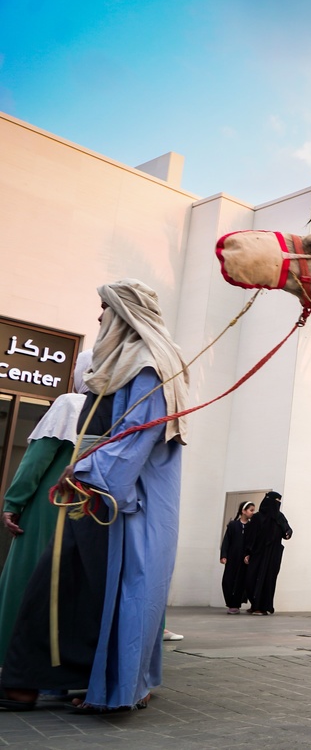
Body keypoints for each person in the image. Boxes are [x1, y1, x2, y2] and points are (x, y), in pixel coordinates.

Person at [1, 278, 188, 713]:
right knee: (61, 585)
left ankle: (86, 683)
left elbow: (140, 435)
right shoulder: (122, 363)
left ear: (122, 314)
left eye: (104, 309)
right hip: (92, 493)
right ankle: (40, 681)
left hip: (116, 500)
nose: (99, 317)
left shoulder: (147, 364)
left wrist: (86, 470)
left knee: (90, 587)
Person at [0, 351, 91, 662]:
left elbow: (36, 460)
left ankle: (11, 655)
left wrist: (13, 503)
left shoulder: (69, 403)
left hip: (50, 506)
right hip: (91, 510)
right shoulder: (117, 411)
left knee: (26, 578)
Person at [245, 490, 293, 615]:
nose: (277, 505)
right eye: (276, 502)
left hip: (273, 554)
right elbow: (251, 536)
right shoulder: (257, 517)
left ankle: (263, 606)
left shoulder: (279, 517)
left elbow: (287, 529)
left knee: (268, 579)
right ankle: (254, 604)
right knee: (252, 578)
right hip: (258, 553)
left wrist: (288, 533)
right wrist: (248, 552)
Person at [219, 501, 255, 614]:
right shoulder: (233, 525)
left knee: (241, 581)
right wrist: (224, 555)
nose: (253, 513)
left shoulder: (252, 527)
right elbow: (226, 541)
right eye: (251, 510)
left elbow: (252, 542)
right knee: (227, 581)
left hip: (244, 560)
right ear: (243, 511)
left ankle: (236, 605)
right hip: (232, 558)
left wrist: (249, 555)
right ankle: (230, 603)